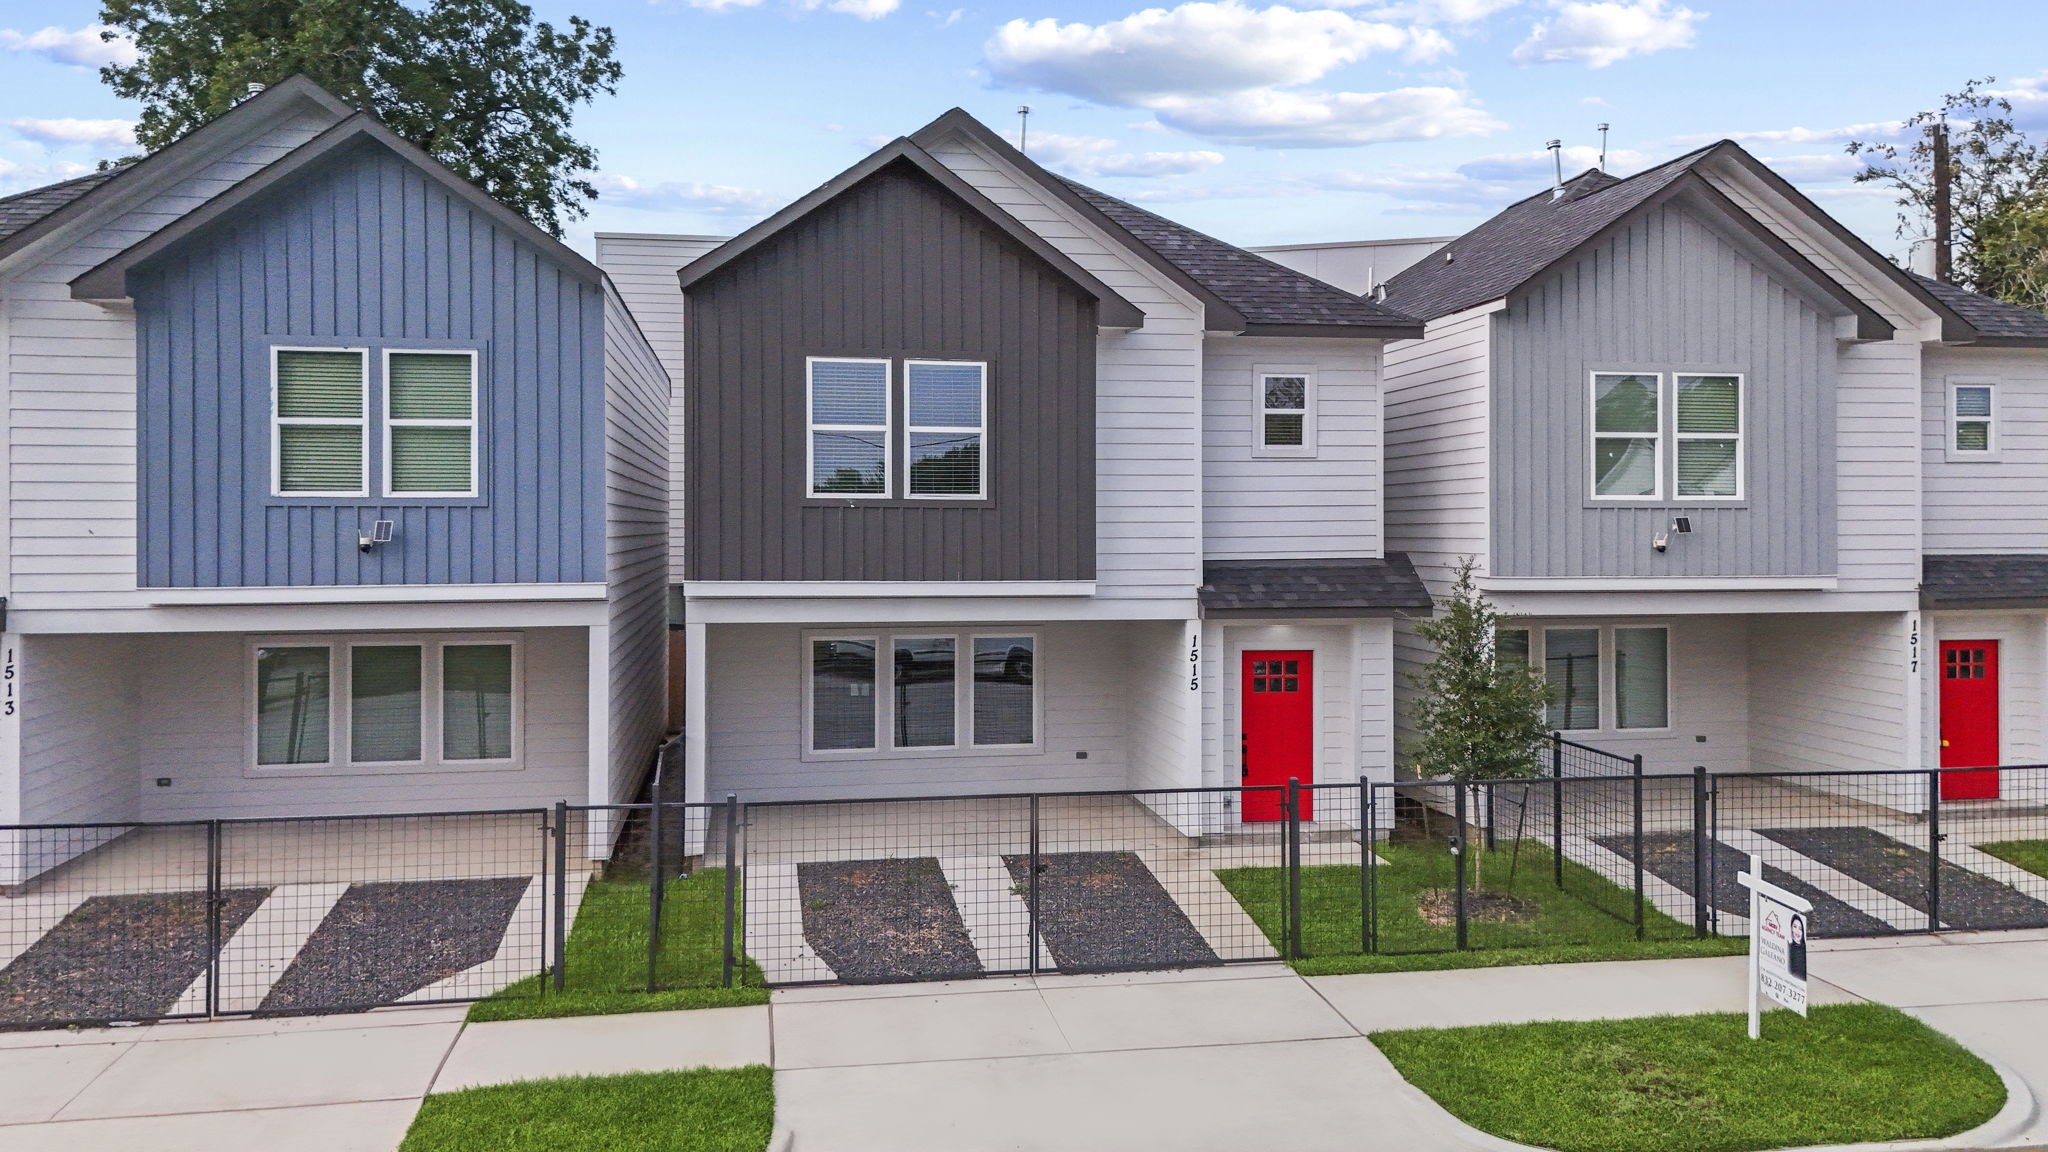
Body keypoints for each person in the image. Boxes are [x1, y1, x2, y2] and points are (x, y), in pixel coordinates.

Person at [1787, 912, 1808, 980]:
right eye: (1795, 927)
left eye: (1800, 928)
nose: (1797, 931)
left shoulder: (1805, 950)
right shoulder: (1788, 949)